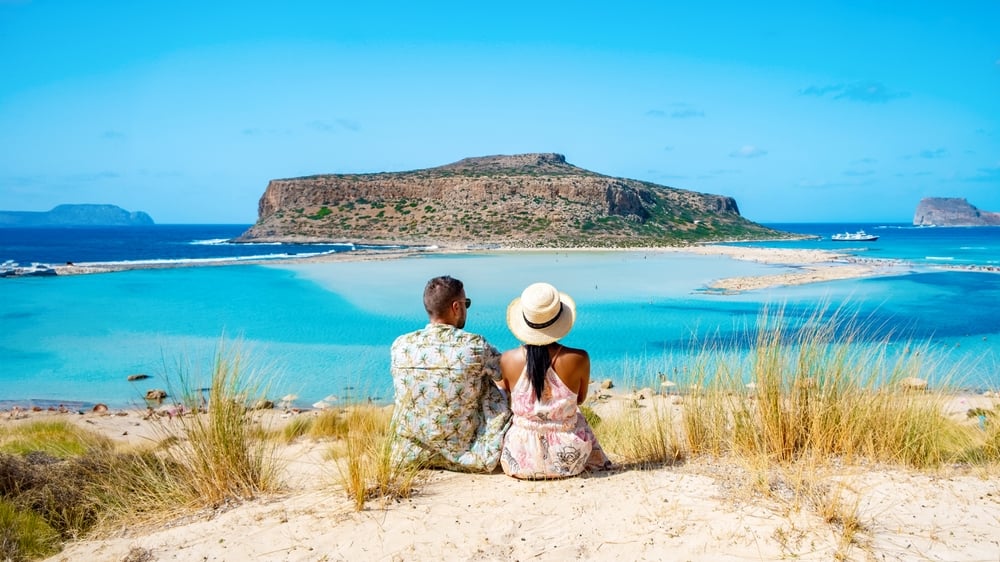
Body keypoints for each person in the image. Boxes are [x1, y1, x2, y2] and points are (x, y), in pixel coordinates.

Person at [389, 275, 512, 472]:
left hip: (408, 454)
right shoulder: (474, 346)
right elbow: (506, 374)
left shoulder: (400, 345)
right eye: (466, 303)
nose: (466, 308)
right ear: (456, 307)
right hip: (468, 454)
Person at [499, 282, 611, 479]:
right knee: (578, 416)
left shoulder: (508, 359)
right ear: (559, 320)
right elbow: (580, 400)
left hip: (519, 458)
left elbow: (503, 401)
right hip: (569, 458)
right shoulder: (579, 358)